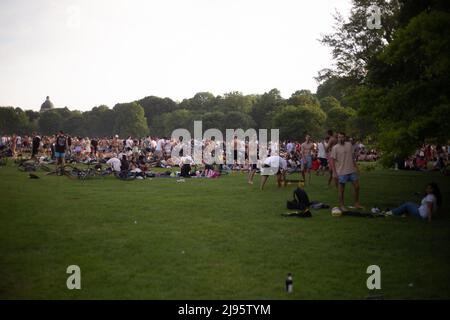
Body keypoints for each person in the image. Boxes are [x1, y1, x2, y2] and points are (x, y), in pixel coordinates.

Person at [330, 132, 362, 211]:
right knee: (341, 190)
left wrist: (356, 167)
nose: (341, 138)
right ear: (337, 138)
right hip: (341, 172)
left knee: (357, 187)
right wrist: (334, 172)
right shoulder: (335, 148)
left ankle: (356, 203)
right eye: (339, 137)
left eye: (342, 137)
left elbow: (352, 157)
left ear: (345, 138)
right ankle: (341, 205)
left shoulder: (349, 145)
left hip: (351, 170)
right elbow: (332, 161)